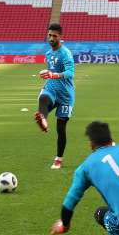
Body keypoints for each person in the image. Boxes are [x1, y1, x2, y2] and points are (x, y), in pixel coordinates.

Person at [34, 23, 75, 169]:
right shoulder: (48, 53)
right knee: (43, 98)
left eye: (54, 36)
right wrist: (47, 76)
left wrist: (53, 74)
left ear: (60, 37)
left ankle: (58, 158)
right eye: (49, 35)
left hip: (65, 96)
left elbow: (70, 73)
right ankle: (43, 120)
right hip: (51, 88)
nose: (51, 38)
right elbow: (51, 71)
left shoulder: (65, 53)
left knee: (61, 128)